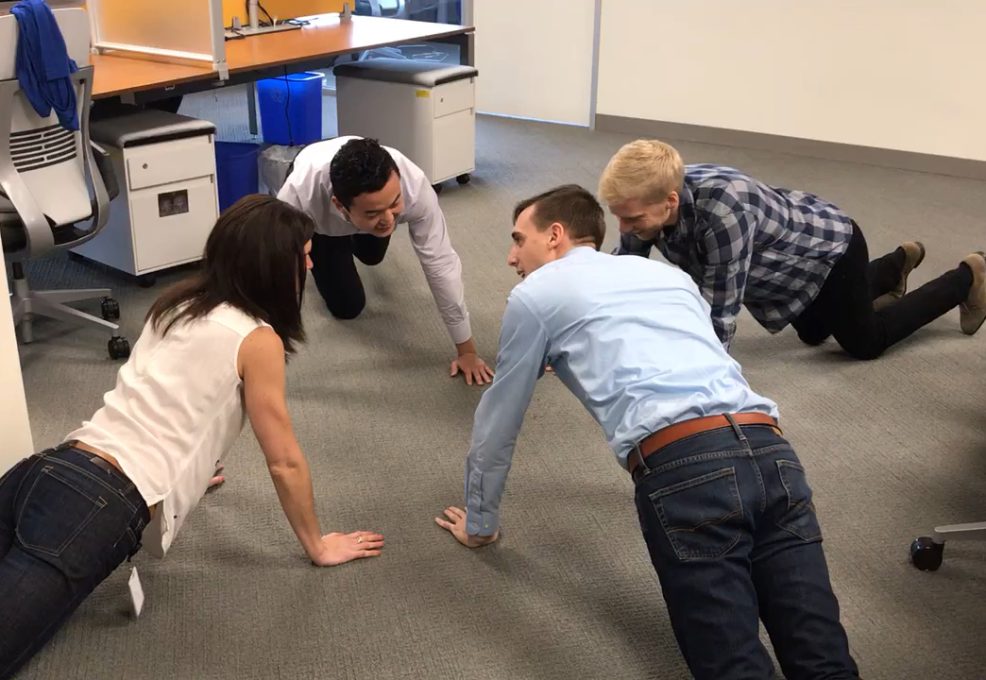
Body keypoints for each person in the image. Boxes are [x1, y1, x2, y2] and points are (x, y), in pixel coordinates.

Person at [435, 185, 859, 680]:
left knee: (733, 664)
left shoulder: (536, 294)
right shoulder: (668, 275)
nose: (510, 256)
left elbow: (498, 421)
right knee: (822, 655)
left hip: (686, 471)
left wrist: (482, 522)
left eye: (517, 239)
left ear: (554, 236)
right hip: (772, 450)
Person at [0, 196, 384, 679]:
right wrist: (319, 546)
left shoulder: (178, 302)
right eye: (304, 253)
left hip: (51, 466)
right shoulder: (257, 338)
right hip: (97, 505)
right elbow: (283, 460)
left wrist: (194, 470)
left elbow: (169, 393)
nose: (311, 262)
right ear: (272, 264)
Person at [598, 139, 986, 358]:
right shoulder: (644, 201)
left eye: (631, 221)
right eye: (619, 217)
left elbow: (719, 314)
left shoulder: (723, 213)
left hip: (831, 249)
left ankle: (966, 277)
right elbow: (623, 275)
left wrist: (691, 385)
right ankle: (891, 268)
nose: (624, 229)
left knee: (866, 343)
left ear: (669, 200)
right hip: (790, 265)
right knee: (814, 330)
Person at [278, 136, 494, 385]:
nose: (390, 220)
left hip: (355, 212)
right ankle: (338, 243)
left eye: (394, 204)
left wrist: (466, 350)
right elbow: (277, 272)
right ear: (340, 206)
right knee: (348, 307)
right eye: (373, 211)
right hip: (321, 223)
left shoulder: (414, 186)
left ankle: (361, 227)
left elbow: (440, 265)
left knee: (372, 256)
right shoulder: (298, 198)